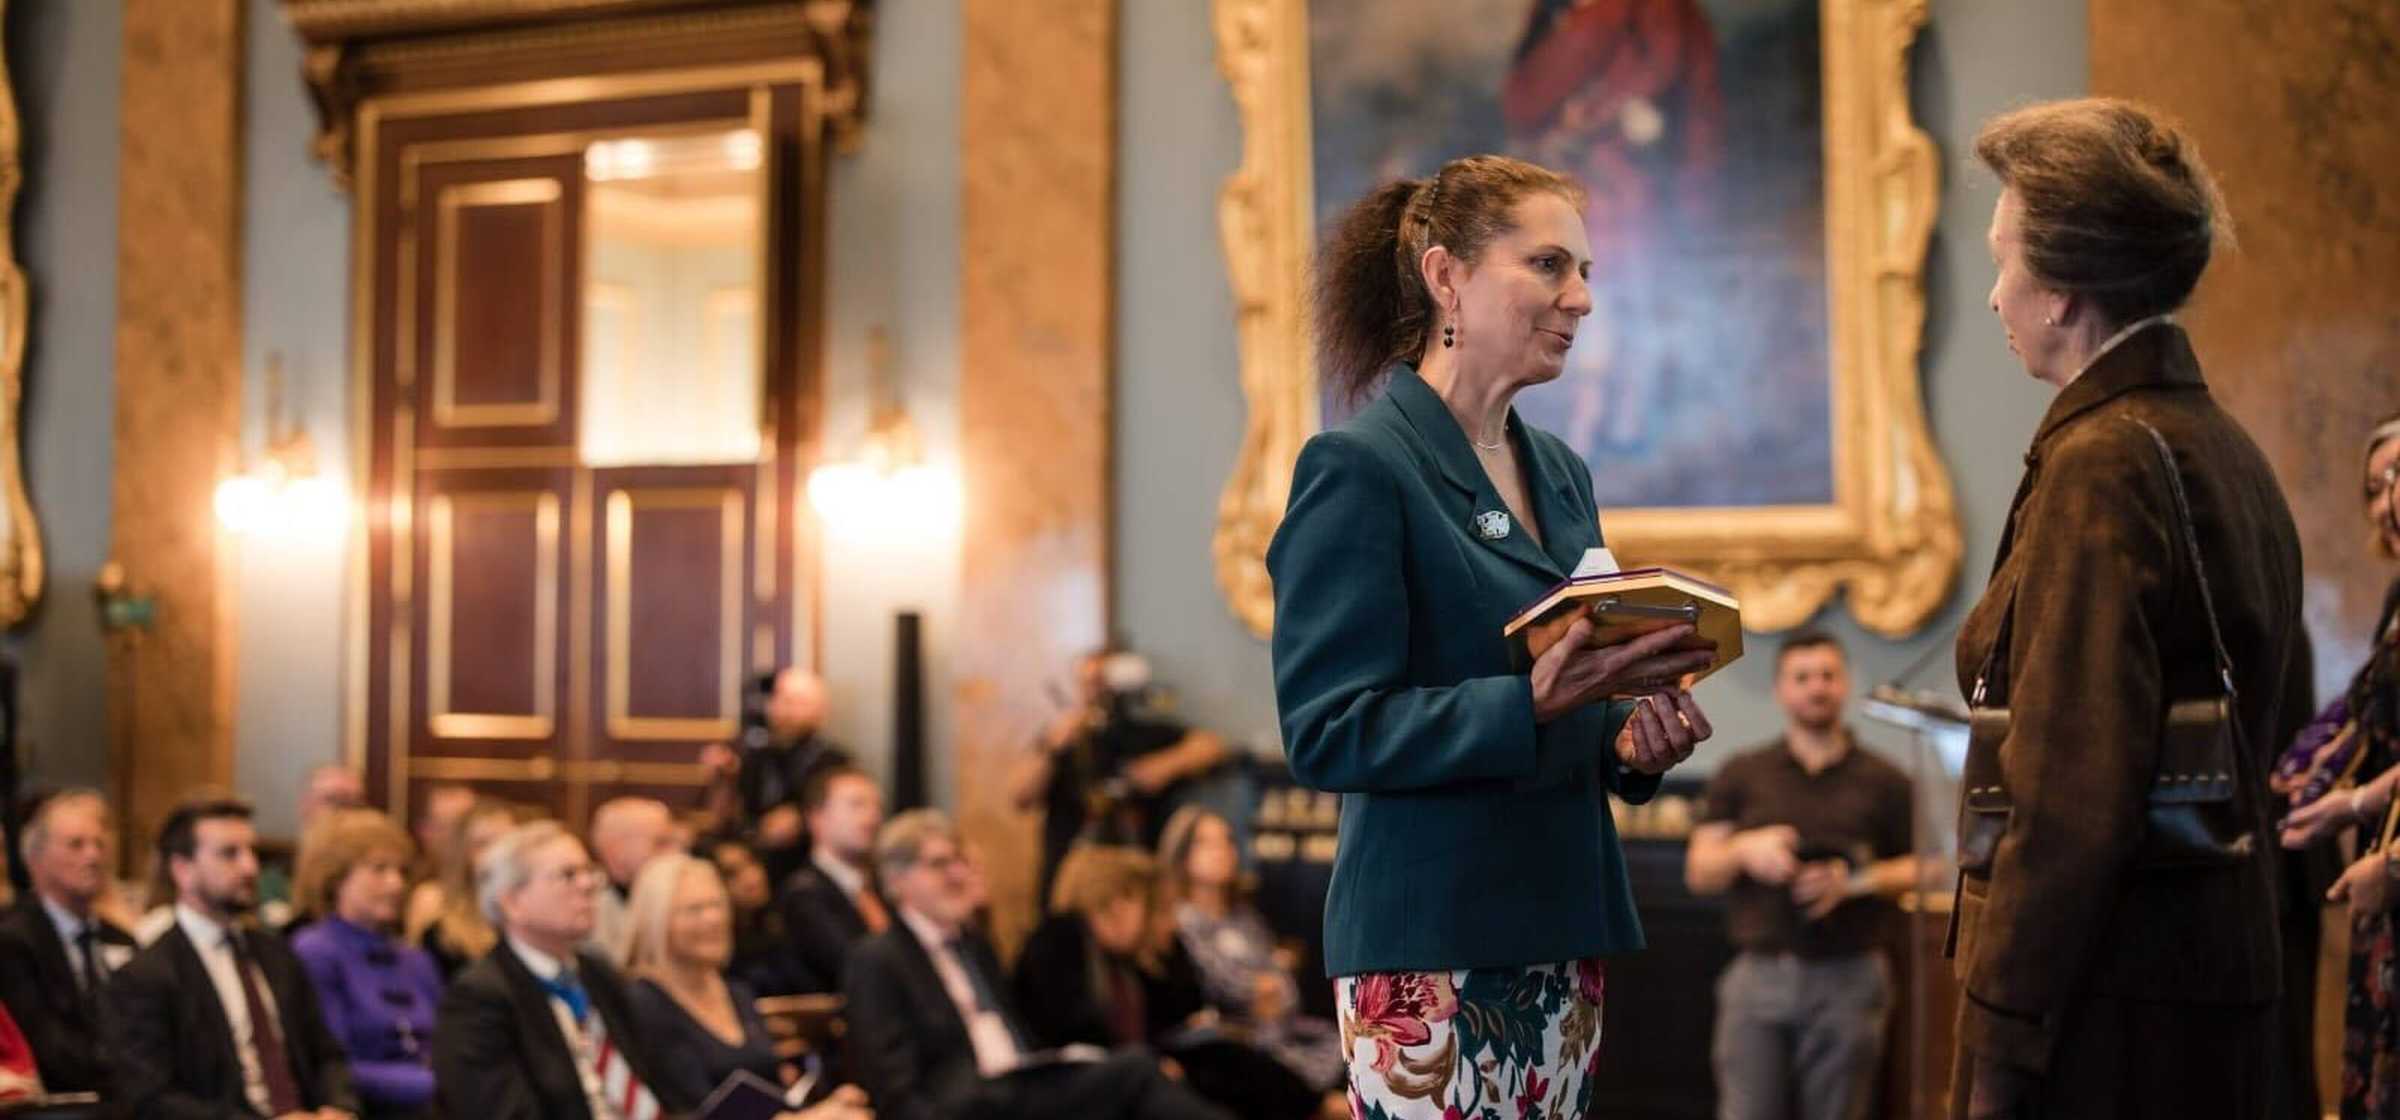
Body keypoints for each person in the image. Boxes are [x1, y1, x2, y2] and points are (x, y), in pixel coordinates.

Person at [1267, 153, 1717, 1116]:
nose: (1582, 298)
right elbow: (1327, 729)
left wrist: (1631, 741)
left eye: (1587, 272)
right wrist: (1532, 701)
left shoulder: (1558, 470)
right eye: (1550, 266)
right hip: (1432, 947)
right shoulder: (1358, 468)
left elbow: (1574, 691)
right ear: (1446, 279)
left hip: (1562, 923)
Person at [1946, 98, 2305, 1120]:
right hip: (2207, 990)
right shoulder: (2221, 447)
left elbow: (2066, 798)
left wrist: (2000, 1053)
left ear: (2061, 291)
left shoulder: (2104, 461)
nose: (1995, 295)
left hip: (2102, 1018)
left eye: (2005, 260)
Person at [841, 810, 1230, 1120]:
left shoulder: (973, 946)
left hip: (1020, 1085)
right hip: (966, 1104)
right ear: (896, 881)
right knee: (1136, 1070)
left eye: (959, 860)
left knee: (1140, 1079)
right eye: (940, 864)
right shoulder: (878, 959)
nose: (959, 874)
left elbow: (1018, 1031)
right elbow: (894, 1087)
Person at [1684, 631, 1918, 1120]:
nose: (1817, 687)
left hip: (1851, 976)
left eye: (1828, 675)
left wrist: (1855, 882)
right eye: (1803, 677)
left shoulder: (1887, 779)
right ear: (1780, 690)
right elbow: (1700, 871)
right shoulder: (1742, 773)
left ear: (1846, 684)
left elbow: (1931, 865)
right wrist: (1745, 850)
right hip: (1759, 975)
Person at [2274, 409, 2400, 1116]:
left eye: (2396, 480)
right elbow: (2358, 711)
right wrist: (2319, 783)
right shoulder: (2395, 595)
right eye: (2374, 489)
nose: (2385, 503)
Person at [1013, 845, 1326, 1120]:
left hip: (1117, 1070)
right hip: (1071, 1079)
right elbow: (1073, 1028)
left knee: (1216, 1057)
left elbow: (1175, 1006)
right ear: (1117, 902)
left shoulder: (1116, 962)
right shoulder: (1060, 938)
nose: (1152, 921)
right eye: (1145, 905)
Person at [106, 792, 360, 1118]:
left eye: (252, 851)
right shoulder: (147, 975)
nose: (250, 867)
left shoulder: (276, 953)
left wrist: (337, 1106)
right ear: (183, 869)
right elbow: (151, 1099)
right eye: (230, 854)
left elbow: (327, 1055)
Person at [432, 820, 669, 1120]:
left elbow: (656, 1079)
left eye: (589, 872)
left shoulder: (598, 973)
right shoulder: (479, 996)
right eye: (568, 875)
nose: (587, 885)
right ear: (512, 902)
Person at [619, 853, 874, 1118]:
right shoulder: (643, 1001)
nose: (713, 919)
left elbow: (770, 1093)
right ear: (656, 921)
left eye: (717, 905)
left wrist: (823, 1107)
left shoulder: (737, 992)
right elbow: (693, 1108)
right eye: (694, 909)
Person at [1009, 648, 1231, 903]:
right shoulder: (1062, 739)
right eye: (1088, 681)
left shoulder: (1141, 732)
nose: (1096, 689)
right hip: (1071, 881)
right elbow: (1019, 796)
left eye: (1103, 679)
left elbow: (1212, 746)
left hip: (1138, 882)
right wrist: (1053, 747)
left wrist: (1162, 766)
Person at [1156, 806, 1347, 1096]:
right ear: (1180, 854)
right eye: (1204, 842)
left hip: (1286, 1031)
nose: (1221, 850)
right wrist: (1263, 986)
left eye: (1227, 840)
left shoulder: (1245, 917)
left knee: (1346, 1043)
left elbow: (1281, 988)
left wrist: (1275, 984)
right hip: (1237, 1041)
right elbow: (1226, 990)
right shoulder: (1178, 923)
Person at [290, 809, 444, 1120]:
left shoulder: (417, 960)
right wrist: (429, 1084)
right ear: (337, 878)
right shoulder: (315, 951)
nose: (396, 884)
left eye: (401, 871)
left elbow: (448, 1045)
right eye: (379, 869)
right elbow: (329, 1064)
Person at [0, 788, 138, 1097]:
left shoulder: (121, 940)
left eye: (99, 845)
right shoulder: (12, 941)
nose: (93, 856)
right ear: (34, 859)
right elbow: (48, 1049)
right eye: (76, 845)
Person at [710, 669, 858, 882]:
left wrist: (800, 819)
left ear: (821, 711)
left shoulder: (834, 762)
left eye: (799, 702)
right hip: (752, 859)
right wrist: (723, 780)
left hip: (805, 865)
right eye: (782, 699)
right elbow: (726, 818)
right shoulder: (754, 754)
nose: (787, 710)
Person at [773, 765, 891, 994]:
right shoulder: (803, 894)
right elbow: (855, 967)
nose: (873, 817)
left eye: (877, 806)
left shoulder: (884, 886)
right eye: (857, 805)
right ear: (817, 818)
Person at [407, 798, 518, 980]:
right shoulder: (435, 904)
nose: (495, 853)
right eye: (482, 844)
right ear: (463, 853)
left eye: (505, 843)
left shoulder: (534, 911)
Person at [587, 797, 675, 962]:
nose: (674, 853)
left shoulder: (676, 896)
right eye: (660, 843)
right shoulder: (585, 902)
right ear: (616, 849)